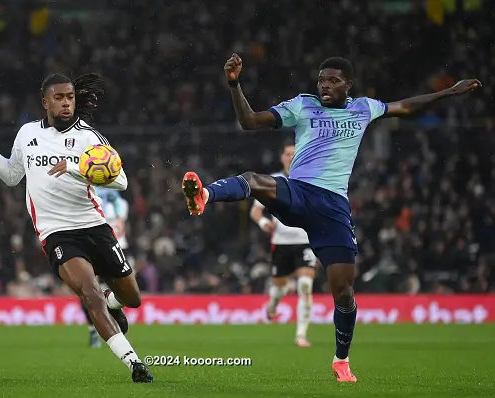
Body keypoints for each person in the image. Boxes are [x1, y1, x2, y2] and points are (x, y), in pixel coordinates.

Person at [182, 53, 481, 382]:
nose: (325, 85)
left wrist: (448, 92)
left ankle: (341, 360)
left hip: (333, 209)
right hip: (299, 193)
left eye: (333, 80)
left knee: (344, 293)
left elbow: (406, 106)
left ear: (348, 85)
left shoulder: (364, 108)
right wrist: (234, 84)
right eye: (322, 79)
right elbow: (250, 121)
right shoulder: (303, 106)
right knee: (254, 179)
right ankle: (205, 195)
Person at [0, 72, 153, 383]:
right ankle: (134, 364)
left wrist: (77, 168)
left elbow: (122, 180)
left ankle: (113, 303)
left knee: (132, 298)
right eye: (60, 98)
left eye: (71, 97)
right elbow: (11, 176)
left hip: (94, 225)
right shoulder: (26, 134)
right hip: (56, 233)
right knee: (89, 293)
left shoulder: (89, 136)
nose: (66, 103)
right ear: (45, 101)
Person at [250, 140, 317, 347]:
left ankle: (301, 334)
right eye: (287, 154)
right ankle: (274, 302)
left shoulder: (310, 180)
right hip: (281, 242)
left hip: (305, 241)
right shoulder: (273, 181)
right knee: (280, 287)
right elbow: (255, 211)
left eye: (294, 154)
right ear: (282, 157)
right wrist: (263, 223)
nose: (291, 157)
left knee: (305, 285)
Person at [83, 187, 129, 348]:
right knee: (88, 288)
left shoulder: (115, 199)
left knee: (111, 286)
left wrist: (121, 220)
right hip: (90, 242)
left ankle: (113, 310)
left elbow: (120, 214)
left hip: (111, 244)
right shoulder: (85, 188)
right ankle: (93, 329)